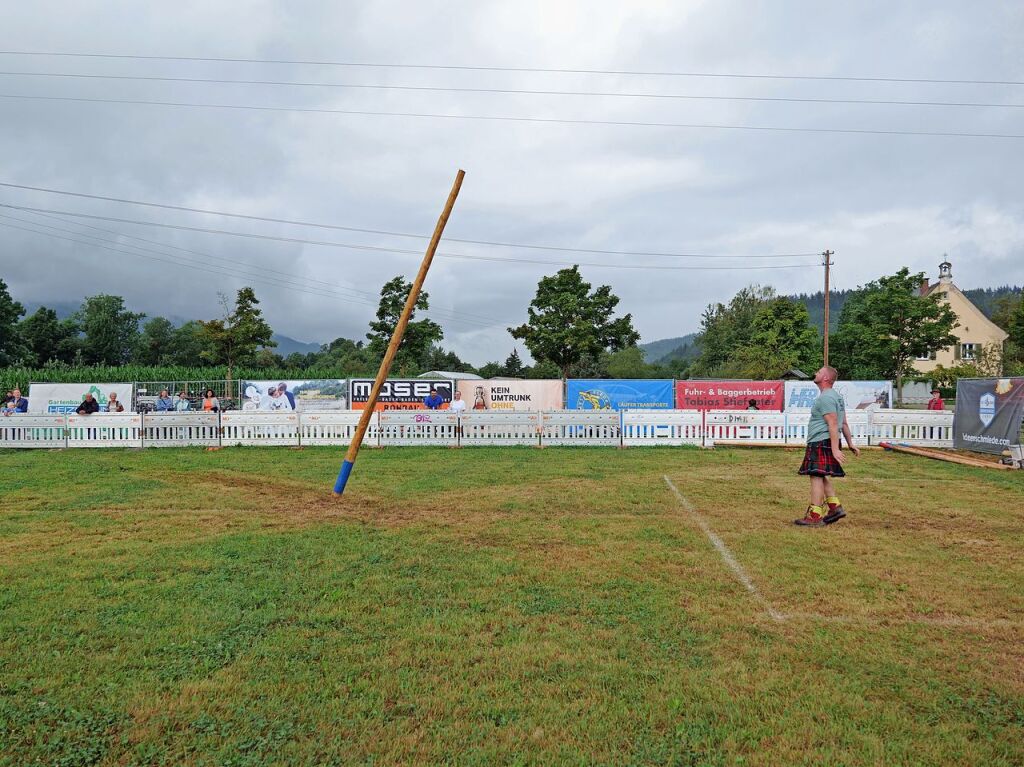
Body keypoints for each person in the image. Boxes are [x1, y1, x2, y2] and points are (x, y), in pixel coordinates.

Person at [795, 365, 860, 527]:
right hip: (827, 440)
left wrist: (836, 448)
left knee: (815, 476)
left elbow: (832, 422)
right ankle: (834, 507)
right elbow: (843, 422)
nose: (815, 373)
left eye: (818, 372)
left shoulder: (826, 398)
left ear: (825, 378)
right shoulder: (836, 397)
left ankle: (814, 515)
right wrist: (850, 443)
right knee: (819, 473)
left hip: (821, 440)